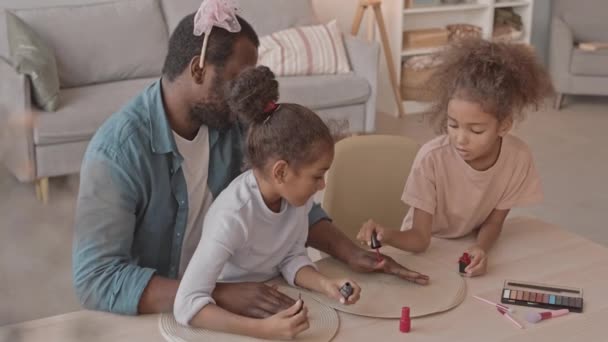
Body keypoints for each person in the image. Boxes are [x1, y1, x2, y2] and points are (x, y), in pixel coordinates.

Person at [72, 13, 428, 317]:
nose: (251, 97)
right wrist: (215, 293)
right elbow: (97, 279)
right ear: (198, 69)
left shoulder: (236, 120)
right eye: (238, 81)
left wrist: (350, 251)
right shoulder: (117, 153)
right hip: (168, 310)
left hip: (241, 285)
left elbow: (287, 195)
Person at [174, 66, 361, 339]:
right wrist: (261, 330)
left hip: (272, 298)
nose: (322, 186)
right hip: (226, 317)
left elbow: (291, 258)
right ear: (281, 172)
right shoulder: (233, 215)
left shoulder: (296, 201)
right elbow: (186, 304)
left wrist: (326, 284)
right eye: (317, 176)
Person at [358, 38, 554, 277]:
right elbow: (420, 239)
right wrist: (386, 234)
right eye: (452, 125)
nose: (460, 139)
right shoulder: (431, 159)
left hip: (466, 244)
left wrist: (481, 248)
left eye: (476, 130)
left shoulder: (518, 158)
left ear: (504, 126)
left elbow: (493, 222)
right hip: (427, 250)